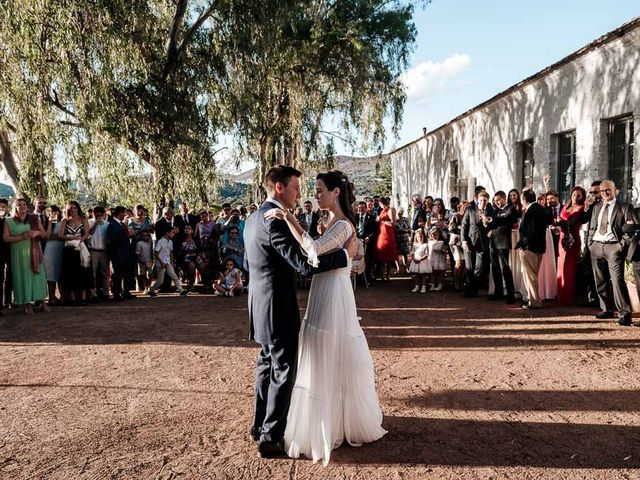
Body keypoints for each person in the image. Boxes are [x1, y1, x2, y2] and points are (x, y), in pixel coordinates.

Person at [263, 169, 385, 465]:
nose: (315, 195)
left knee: (331, 349)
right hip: (323, 287)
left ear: (336, 192)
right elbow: (319, 258)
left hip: (334, 294)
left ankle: (335, 423)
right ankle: (324, 419)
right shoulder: (329, 222)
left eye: (319, 190)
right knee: (317, 349)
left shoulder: (343, 225)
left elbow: (315, 250)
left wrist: (289, 218)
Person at [243, 165, 360, 460]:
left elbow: (251, 264)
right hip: (277, 308)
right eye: (296, 187)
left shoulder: (254, 218)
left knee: (266, 365)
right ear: (280, 188)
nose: (301, 193)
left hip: (259, 304)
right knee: (283, 371)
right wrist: (346, 255)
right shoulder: (275, 222)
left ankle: (259, 426)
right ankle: (270, 438)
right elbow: (305, 265)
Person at [587, 180, 637, 326]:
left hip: (613, 247)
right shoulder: (596, 207)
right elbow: (592, 226)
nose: (605, 193)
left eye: (608, 190)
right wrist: (590, 243)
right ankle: (606, 309)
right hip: (596, 246)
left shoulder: (625, 207)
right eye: (602, 191)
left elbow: (630, 229)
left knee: (617, 281)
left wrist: (621, 246)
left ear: (615, 190)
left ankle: (625, 313)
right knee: (600, 280)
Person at [3, 198, 50, 314]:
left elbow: (45, 234)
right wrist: (22, 237)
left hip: (34, 251)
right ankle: (28, 303)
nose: (23, 207)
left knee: (38, 276)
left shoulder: (34, 218)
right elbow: (5, 238)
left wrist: (38, 233)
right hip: (18, 253)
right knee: (23, 277)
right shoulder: (9, 221)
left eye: (24, 204)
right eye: (19, 205)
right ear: (15, 207)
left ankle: (42, 301)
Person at [515, 190, 549, 309]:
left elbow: (530, 231)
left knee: (530, 276)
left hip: (530, 248)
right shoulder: (540, 209)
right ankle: (532, 299)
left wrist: (522, 244)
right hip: (539, 247)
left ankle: (534, 301)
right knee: (533, 275)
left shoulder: (531, 211)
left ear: (524, 199)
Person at [556, 186, 586, 305]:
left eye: (579, 195)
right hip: (562, 238)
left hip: (573, 240)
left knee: (569, 268)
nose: (575, 197)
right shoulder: (565, 207)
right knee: (561, 266)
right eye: (574, 195)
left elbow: (572, 224)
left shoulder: (581, 208)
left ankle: (567, 297)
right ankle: (560, 295)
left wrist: (561, 222)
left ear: (582, 197)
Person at [461, 190, 494, 297]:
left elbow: (493, 225)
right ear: (477, 200)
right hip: (470, 242)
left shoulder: (491, 211)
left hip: (482, 243)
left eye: (485, 200)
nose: (483, 202)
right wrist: (464, 241)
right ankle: (469, 291)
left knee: (479, 268)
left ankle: (473, 288)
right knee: (469, 267)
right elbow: (464, 226)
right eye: (481, 200)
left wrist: (487, 225)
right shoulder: (470, 210)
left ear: (488, 201)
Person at [59, 201, 93, 305]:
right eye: (71, 208)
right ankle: (72, 298)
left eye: (75, 208)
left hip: (81, 248)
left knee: (83, 271)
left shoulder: (83, 219)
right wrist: (71, 238)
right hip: (69, 249)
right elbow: (60, 235)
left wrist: (79, 242)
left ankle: (83, 297)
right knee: (70, 272)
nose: (73, 210)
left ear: (78, 208)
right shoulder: (65, 221)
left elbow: (86, 233)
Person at [488, 191, 517, 303]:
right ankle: (498, 292)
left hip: (503, 242)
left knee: (505, 268)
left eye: (498, 200)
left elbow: (507, 220)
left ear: (504, 198)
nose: (497, 203)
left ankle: (510, 295)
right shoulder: (496, 211)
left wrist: (493, 220)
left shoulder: (510, 209)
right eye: (495, 201)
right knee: (495, 268)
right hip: (493, 242)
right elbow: (493, 224)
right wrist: (489, 226)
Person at [147, 227, 188, 298]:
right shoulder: (160, 242)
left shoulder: (170, 242)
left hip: (167, 262)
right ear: (167, 233)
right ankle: (151, 290)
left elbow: (170, 252)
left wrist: (171, 262)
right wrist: (161, 262)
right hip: (161, 263)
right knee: (160, 280)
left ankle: (181, 291)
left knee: (174, 276)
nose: (173, 234)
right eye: (172, 232)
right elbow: (156, 253)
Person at [108, 206, 133, 301]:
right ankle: (117, 293)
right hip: (117, 253)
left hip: (125, 252)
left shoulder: (122, 224)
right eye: (124, 213)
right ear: (120, 213)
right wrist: (127, 235)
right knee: (117, 274)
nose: (125, 215)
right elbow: (113, 239)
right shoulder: (112, 224)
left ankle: (126, 292)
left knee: (126, 273)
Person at [87, 206, 111, 300]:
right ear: (94, 214)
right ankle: (93, 294)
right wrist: (96, 224)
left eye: (101, 215)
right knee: (92, 273)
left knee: (105, 273)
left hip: (104, 251)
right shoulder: (89, 223)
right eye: (97, 215)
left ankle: (106, 293)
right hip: (93, 250)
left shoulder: (107, 224)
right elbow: (88, 235)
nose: (99, 217)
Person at [43, 206, 64, 305]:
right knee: (50, 273)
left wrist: (55, 236)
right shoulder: (45, 223)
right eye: (50, 211)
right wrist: (50, 223)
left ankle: (62, 296)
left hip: (61, 249)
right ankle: (52, 297)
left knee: (61, 273)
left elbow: (64, 235)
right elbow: (47, 236)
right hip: (50, 250)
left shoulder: (63, 222)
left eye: (55, 211)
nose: (53, 213)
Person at [374, 197, 398, 281]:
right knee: (381, 254)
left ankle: (388, 275)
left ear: (382, 203)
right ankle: (382, 275)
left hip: (388, 233)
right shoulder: (382, 211)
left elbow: (393, 223)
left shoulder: (390, 210)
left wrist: (382, 220)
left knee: (389, 255)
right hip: (381, 233)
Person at [409, 228, 431, 293]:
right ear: (416, 237)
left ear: (424, 237)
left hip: (423, 261)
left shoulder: (425, 245)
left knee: (423, 275)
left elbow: (427, 254)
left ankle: (423, 287)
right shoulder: (415, 245)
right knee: (417, 275)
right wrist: (414, 259)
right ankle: (417, 286)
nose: (420, 238)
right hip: (416, 261)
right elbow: (412, 253)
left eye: (421, 236)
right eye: (418, 237)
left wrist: (421, 259)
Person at [178, 225, 198, 289]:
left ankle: (206, 283)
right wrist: (182, 247)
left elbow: (199, 249)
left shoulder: (195, 239)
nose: (187, 230)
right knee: (192, 265)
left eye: (189, 228)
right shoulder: (181, 239)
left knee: (202, 264)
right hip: (185, 257)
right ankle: (191, 283)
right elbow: (179, 252)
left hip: (195, 256)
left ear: (192, 231)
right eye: (185, 228)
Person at [394, 208, 411, 274]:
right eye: (398, 213)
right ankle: (398, 268)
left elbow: (409, 228)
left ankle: (406, 268)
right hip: (397, 238)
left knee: (405, 254)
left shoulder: (406, 220)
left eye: (401, 212)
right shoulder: (395, 220)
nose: (399, 214)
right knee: (396, 254)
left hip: (404, 238)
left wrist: (406, 231)